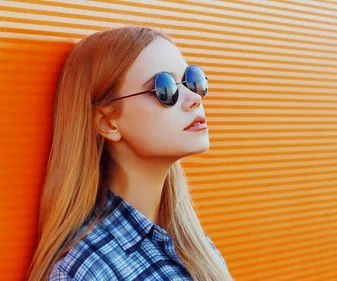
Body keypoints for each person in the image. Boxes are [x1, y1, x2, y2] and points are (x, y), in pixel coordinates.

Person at [26, 25, 233, 281]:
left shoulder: (193, 245)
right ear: (107, 123)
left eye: (192, 80)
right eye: (165, 88)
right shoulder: (87, 271)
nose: (194, 98)